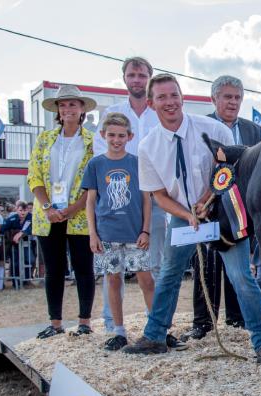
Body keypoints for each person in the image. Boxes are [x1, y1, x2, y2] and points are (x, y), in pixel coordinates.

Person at [122, 74, 261, 366]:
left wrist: (207, 200)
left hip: (223, 212)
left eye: (174, 95)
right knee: (169, 273)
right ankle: (155, 336)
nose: (170, 102)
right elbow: (158, 194)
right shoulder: (147, 146)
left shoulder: (212, 128)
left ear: (182, 97)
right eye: (162, 97)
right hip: (184, 217)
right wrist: (187, 214)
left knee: (241, 277)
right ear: (151, 103)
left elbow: (228, 169)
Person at [182, 75, 261, 341]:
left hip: (240, 209)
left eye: (237, 97)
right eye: (227, 97)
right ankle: (203, 322)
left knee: (239, 266)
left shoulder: (254, 131)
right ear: (214, 99)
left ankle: (237, 318)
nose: (233, 102)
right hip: (206, 206)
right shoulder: (200, 127)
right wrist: (202, 200)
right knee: (205, 264)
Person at [93, 57, 168, 332]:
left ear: (149, 78)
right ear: (124, 78)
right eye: (132, 75)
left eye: (142, 75)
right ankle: (113, 325)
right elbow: (101, 155)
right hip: (117, 200)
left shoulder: (158, 112)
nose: (137, 80)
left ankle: (157, 325)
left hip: (154, 198)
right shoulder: (112, 112)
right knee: (113, 270)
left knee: (153, 265)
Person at [26, 84, 96, 338]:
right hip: (47, 215)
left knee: (83, 268)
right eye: (63, 104)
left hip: (79, 215)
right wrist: (47, 206)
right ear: (57, 110)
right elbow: (33, 176)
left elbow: (93, 179)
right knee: (54, 270)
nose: (67, 108)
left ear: (82, 110)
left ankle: (85, 322)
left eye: (73, 104)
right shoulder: (45, 139)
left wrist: (73, 208)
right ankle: (55, 323)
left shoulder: (91, 141)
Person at [84, 112, 155, 350]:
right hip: (107, 233)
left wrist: (146, 230)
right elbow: (91, 201)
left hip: (135, 233)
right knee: (113, 280)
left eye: (121, 135)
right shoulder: (95, 164)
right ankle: (119, 330)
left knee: (146, 279)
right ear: (103, 135)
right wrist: (93, 233)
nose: (116, 140)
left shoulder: (137, 162)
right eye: (112, 135)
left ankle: (156, 328)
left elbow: (146, 199)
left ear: (129, 136)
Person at [0, 200, 33, 287]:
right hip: (14, 244)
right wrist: (11, 233)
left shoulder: (31, 217)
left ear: (28, 210)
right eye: (20, 210)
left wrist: (21, 233)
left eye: (25, 210)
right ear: (17, 210)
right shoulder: (12, 218)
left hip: (27, 243)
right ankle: (16, 282)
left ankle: (26, 280)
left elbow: (33, 228)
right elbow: (3, 229)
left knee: (30, 260)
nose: (23, 212)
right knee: (15, 263)